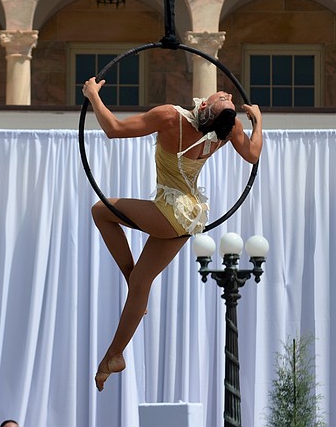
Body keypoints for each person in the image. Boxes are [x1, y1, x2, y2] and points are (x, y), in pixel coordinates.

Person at [82, 77, 262, 392]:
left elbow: (113, 128)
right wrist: (258, 121)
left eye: (225, 97)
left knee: (100, 210)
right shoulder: (227, 129)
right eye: (228, 97)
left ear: (205, 105)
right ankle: (114, 356)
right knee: (142, 283)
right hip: (191, 216)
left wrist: (93, 96)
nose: (228, 92)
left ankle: (128, 277)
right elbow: (252, 154)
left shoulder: (171, 117)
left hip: (170, 213)